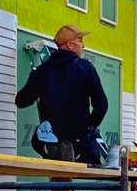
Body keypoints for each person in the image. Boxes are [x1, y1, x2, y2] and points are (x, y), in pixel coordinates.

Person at [15, 24, 108, 163]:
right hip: (79, 136)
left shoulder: (42, 71)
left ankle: (50, 146)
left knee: (41, 139)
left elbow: (21, 101)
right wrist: (88, 128)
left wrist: (35, 82)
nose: (83, 46)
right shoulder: (84, 67)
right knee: (82, 154)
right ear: (70, 44)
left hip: (52, 133)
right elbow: (101, 105)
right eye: (81, 41)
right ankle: (71, 149)